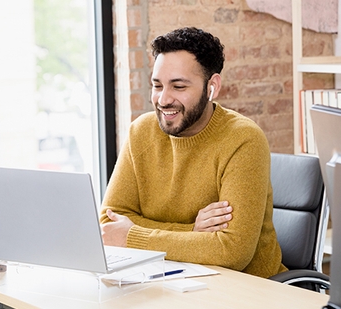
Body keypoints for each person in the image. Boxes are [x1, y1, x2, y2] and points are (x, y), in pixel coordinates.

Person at [99, 27, 286, 278]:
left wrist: (134, 236)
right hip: (170, 280)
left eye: (178, 86)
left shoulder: (243, 139)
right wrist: (191, 232)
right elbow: (109, 225)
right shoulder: (141, 132)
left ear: (212, 86)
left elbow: (232, 251)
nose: (163, 99)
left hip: (248, 290)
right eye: (157, 85)